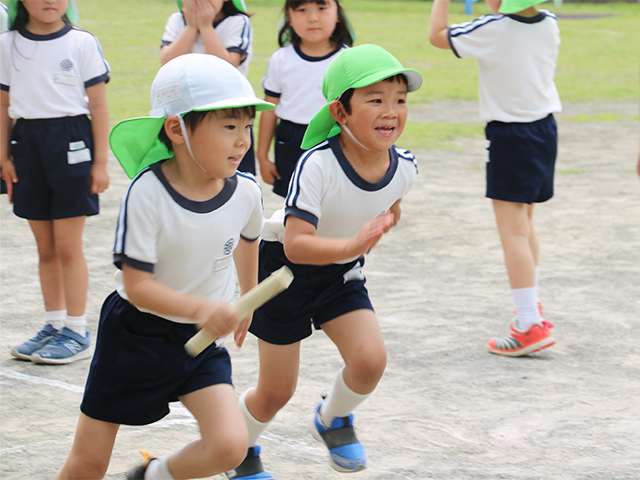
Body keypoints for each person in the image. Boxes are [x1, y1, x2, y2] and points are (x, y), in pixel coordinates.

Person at [54, 53, 275, 480]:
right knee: (88, 464)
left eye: (246, 127)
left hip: (201, 340)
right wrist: (202, 309)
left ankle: (150, 476)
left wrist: (246, 298)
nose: (243, 140)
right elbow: (137, 286)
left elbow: (247, 238)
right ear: (176, 129)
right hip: (136, 337)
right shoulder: (149, 193)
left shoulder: (245, 191)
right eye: (229, 126)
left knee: (230, 446)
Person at [226, 44, 423, 480]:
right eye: (375, 100)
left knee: (370, 361)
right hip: (282, 274)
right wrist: (354, 242)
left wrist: (383, 222)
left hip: (339, 273)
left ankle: (332, 418)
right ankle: (238, 448)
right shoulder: (317, 165)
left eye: (400, 100)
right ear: (341, 112)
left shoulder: (405, 166)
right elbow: (297, 245)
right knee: (276, 391)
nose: (391, 111)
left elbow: (390, 203)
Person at [429, 0, 560, 356]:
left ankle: (528, 324)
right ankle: (533, 310)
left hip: (511, 137)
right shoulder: (549, 22)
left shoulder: (493, 28)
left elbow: (437, 36)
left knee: (512, 231)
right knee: (526, 223)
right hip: (545, 130)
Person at [1, 0, 110, 364]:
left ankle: (76, 330)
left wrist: (99, 162)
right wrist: (3, 157)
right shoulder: (8, 44)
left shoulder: (82, 42)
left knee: (67, 246)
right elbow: (3, 106)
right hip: (27, 143)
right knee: (45, 248)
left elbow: (98, 105)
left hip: (71, 140)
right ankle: (53, 324)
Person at [257, 0, 354, 198]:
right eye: (301, 10)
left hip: (335, 136)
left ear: (337, 14)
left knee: (335, 198)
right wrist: (262, 156)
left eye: (322, 8)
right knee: (295, 200)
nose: (313, 18)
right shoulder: (281, 59)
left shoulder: (347, 59)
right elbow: (269, 110)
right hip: (291, 139)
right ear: (289, 18)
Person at [160, 0, 257, 175]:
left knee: (233, 170)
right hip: (187, 113)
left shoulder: (237, 21)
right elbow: (168, 62)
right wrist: (191, 27)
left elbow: (227, 64)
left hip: (228, 112)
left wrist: (205, 26)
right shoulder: (177, 20)